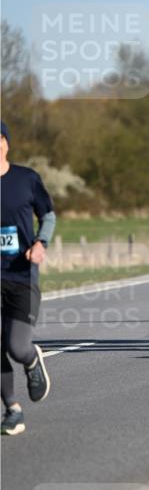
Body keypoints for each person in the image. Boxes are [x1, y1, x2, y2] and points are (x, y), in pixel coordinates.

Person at [1, 121, 55, 435]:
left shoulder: (26, 179)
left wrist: (40, 243)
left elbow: (47, 214)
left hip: (21, 276)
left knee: (16, 346)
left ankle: (32, 359)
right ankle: (13, 410)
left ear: (6, 143)